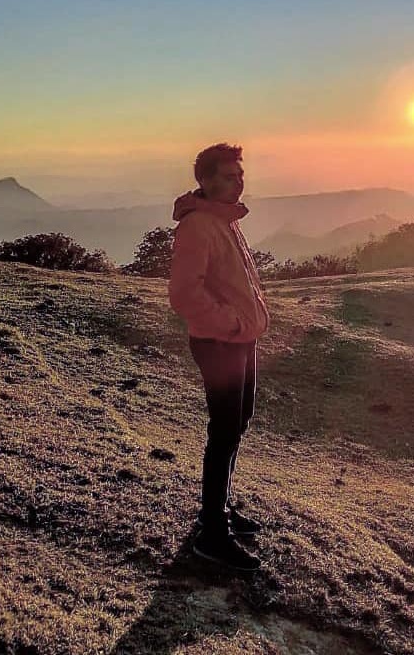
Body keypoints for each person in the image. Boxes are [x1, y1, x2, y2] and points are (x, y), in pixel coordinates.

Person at [169, 142, 270, 571]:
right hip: (219, 342)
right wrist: (228, 324)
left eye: (240, 173)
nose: (238, 180)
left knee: (237, 422)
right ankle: (213, 532)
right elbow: (184, 294)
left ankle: (221, 510)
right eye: (229, 175)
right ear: (205, 181)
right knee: (225, 429)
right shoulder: (198, 226)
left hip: (240, 340)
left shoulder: (227, 221)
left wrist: (245, 324)